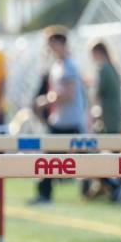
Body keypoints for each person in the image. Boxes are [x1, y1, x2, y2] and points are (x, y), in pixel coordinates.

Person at [30, 25, 87, 205]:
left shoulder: (69, 66)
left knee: (88, 161)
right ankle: (45, 194)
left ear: (61, 43)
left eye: (51, 43)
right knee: (48, 159)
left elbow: (69, 94)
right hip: (59, 121)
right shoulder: (56, 66)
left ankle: (110, 186)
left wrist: (45, 101)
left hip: (71, 121)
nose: (49, 48)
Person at [86, 40, 121, 200]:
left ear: (97, 52)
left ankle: (114, 185)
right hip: (115, 118)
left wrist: (92, 114)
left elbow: (97, 95)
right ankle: (111, 185)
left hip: (106, 120)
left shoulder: (103, 68)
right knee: (116, 155)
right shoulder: (113, 67)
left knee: (94, 153)